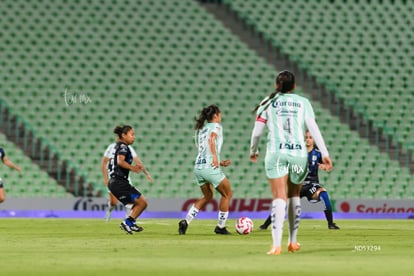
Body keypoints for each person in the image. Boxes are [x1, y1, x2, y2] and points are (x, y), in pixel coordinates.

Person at [250, 70, 333, 255]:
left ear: (276, 85)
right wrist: (325, 153)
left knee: (279, 196)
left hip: (276, 153)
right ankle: (293, 242)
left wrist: (253, 151)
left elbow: (256, 132)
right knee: (294, 195)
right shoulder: (303, 103)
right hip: (298, 154)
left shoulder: (267, 102)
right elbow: (314, 128)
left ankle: (276, 245)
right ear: (294, 86)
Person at [259, 130, 339, 230]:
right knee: (282, 203)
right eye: (306, 137)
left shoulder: (318, 153)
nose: (308, 140)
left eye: (310, 137)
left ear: (314, 140)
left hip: (312, 185)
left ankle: (330, 224)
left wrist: (325, 166)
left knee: (324, 194)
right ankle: (265, 225)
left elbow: (328, 165)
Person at [178, 104, 233, 235]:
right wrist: (215, 157)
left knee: (208, 196)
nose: (221, 116)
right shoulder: (216, 126)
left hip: (198, 166)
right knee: (227, 194)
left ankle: (186, 221)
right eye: (220, 114)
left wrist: (219, 161)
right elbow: (211, 139)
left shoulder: (202, 130)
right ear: (215, 116)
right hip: (209, 166)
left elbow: (204, 150)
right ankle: (220, 227)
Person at [108, 125, 150, 234]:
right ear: (124, 135)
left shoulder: (118, 146)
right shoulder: (123, 147)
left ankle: (131, 222)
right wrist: (133, 168)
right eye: (132, 134)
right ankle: (127, 222)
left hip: (116, 182)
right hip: (119, 182)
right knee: (142, 203)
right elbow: (120, 161)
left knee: (139, 202)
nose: (134, 137)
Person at [102, 137, 153, 222]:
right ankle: (109, 211)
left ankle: (128, 219)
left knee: (132, 200)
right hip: (113, 177)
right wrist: (106, 178)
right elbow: (104, 163)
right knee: (113, 202)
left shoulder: (127, 148)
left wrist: (146, 173)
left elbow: (137, 161)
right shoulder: (111, 147)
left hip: (124, 178)